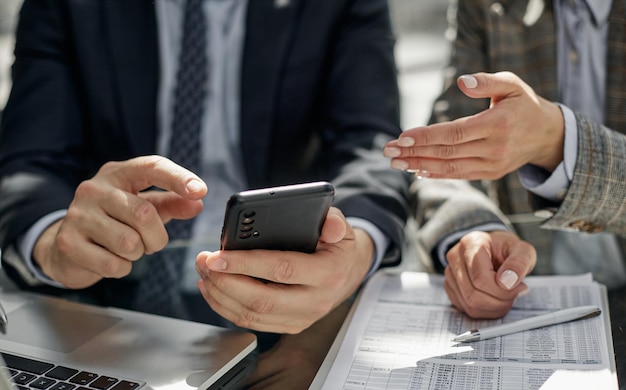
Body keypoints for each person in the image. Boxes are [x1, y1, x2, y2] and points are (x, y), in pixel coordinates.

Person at [0, 0, 412, 387]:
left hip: (287, 306)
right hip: (94, 304)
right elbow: (29, 159)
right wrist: (53, 242)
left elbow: (372, 145)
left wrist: (352, 255)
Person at [383, 0, 626, 318]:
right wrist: (475, 232)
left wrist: (562, 143)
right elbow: (449, 163)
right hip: (524, 301)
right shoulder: (485, 6)